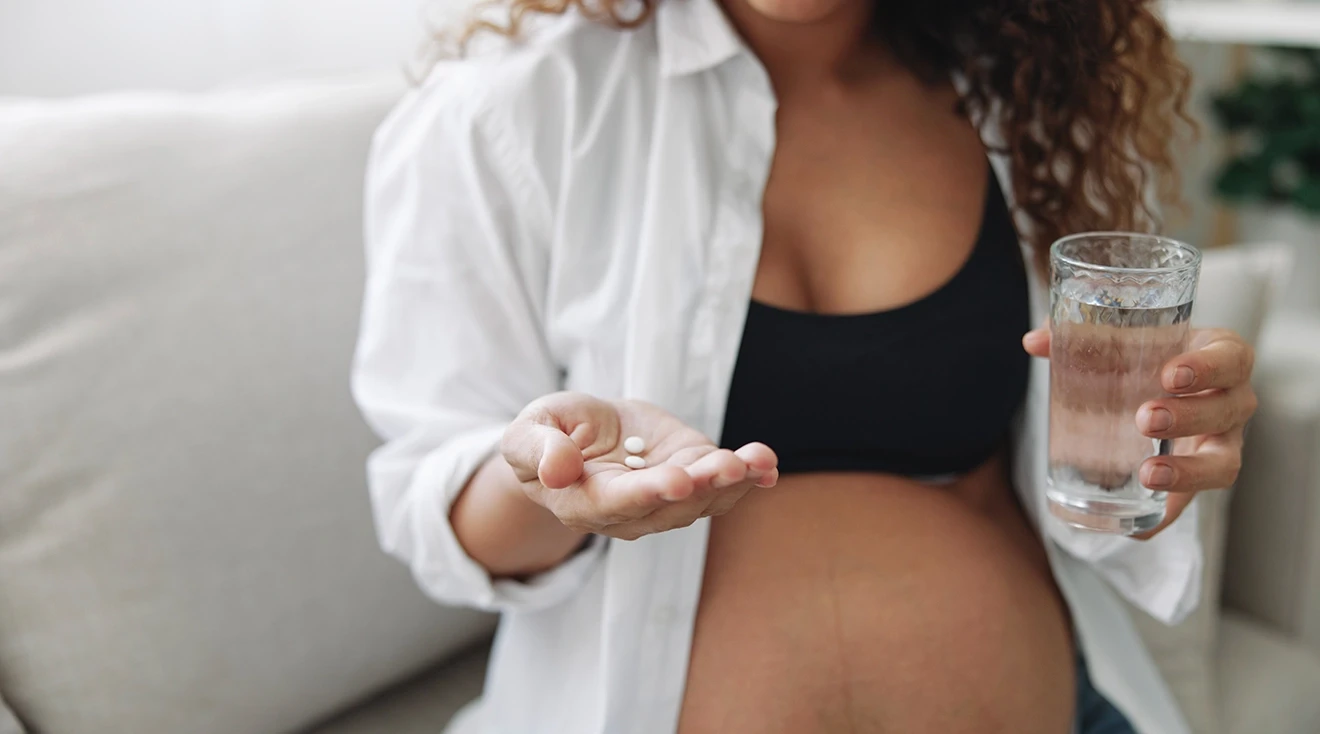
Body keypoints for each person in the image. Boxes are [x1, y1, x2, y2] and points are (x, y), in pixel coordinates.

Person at [351, 0, 1258, 730]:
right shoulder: (502, 115)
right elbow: (434, 510)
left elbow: (1095, 490)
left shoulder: (1034, 93)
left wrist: (1165, 449)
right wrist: (548, 484)